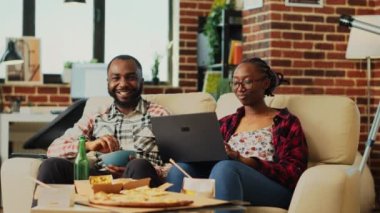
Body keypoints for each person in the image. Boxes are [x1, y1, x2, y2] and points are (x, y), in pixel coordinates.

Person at [166, 57, 308, 209]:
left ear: (265, 83)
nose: (240, 88)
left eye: (247, 81)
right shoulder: (226, 123)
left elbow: (294, 172)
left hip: (272, 187)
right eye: (235, 82)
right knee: (179, 170)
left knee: (226, 168)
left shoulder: (286, 122)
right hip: (224, 179)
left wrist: (244, 160)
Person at [38, 55, 170, 187]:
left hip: (141, 179)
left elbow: (177, 164)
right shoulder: (96, 116)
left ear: (141, 81)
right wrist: (89, 145)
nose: (123, 84)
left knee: (138, 165)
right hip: (101, 180)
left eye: (130, 77)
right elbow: (53, 150)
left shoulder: (159, 114)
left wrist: (150, 169)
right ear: (108, 83)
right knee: (51, 165)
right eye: (116, 78)